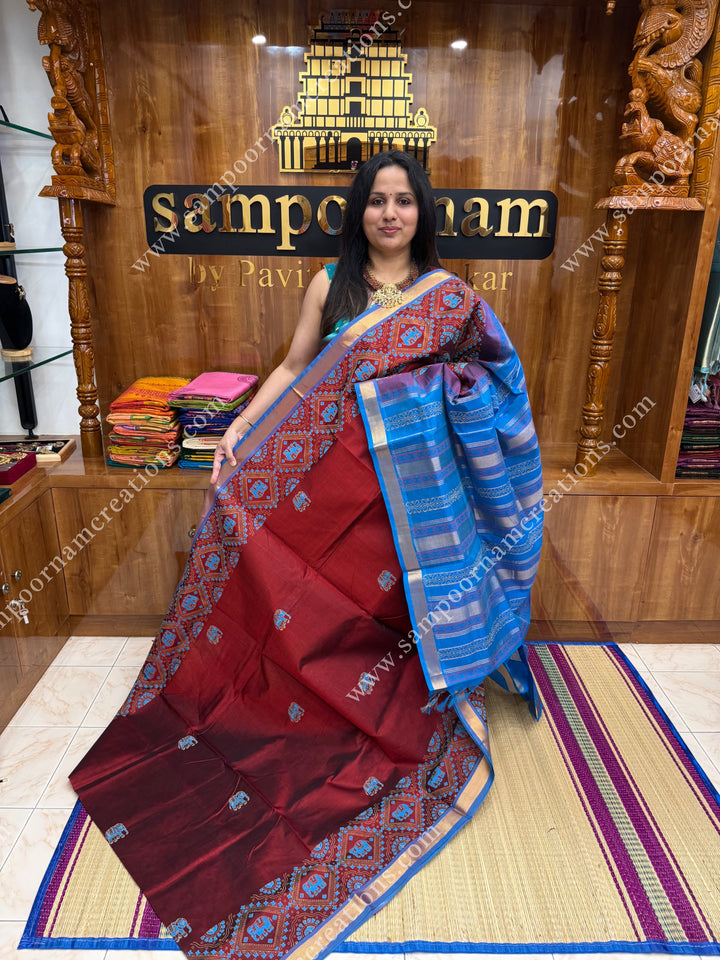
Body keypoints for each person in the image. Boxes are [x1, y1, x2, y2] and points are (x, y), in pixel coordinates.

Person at [70, 150, 544, 960]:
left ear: (421, 213)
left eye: (403, 202)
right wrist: (239, 433)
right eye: (376, 201)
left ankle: (410, 691)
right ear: (359, 212)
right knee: (321, 602)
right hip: (330, 488)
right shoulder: (333, 288)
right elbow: (294, 368)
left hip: (409, 501)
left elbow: (499, 378)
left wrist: (443, 390)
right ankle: (316, 697)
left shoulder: (453, 299)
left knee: (392, 614)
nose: (389, 214)